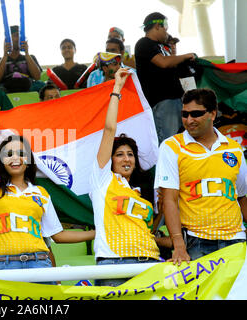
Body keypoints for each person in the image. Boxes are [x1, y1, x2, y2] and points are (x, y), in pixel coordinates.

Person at [0, 81, 95, 278]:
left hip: (40, 264)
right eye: (9, 154)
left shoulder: (41, 193)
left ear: (29, 160)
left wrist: (98, 233)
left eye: (20, 153)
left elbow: (58, 236)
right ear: (1, 160)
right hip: (4, 267)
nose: (15, 157)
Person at [154, 88, 247, 266]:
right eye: (185, 114)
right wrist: (178, 244)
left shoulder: (234, 148)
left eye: (196, 114)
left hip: (236, 240)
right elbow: (169, 200)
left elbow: (241, 196)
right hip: (197, 241)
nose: (189, 120)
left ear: (212, 114)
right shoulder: (171, 146)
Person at [90, 68, 161, 287]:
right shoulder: (102, 180)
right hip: (114, 264)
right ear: (110, 160)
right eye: (119, 154)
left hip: (149, 263)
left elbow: (151, 227)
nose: (126, 158)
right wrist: (117, 89)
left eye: (130, 154)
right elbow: (110, 129)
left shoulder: (142, 192)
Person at [135, 12, 196, 144]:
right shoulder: (144, 43)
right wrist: (186, 56)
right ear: (157, 26)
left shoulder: (161, 47)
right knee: (168, 142)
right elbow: (163, 62)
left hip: (175, 100)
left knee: (180, 141)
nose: (166, 33)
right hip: (162, 102)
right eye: (165, 28)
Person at [0, 25, 43, 93]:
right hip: (7, 89)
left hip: (28, 88)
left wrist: (27, 54)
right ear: (8, 39)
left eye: (21, 36)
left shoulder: (31, 57)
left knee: (42, 85)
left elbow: (37, 77)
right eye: (16, 35)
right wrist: (5, 56)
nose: (20, 39)